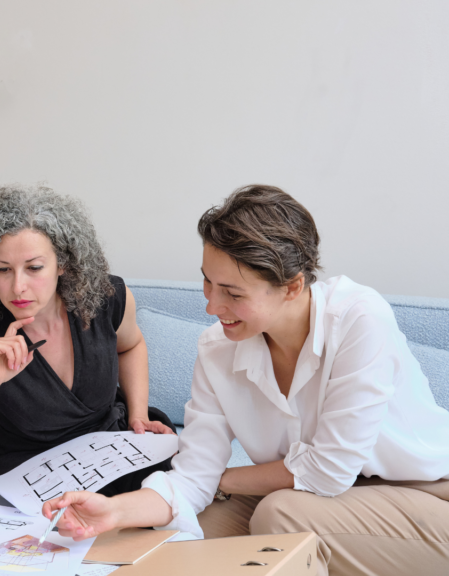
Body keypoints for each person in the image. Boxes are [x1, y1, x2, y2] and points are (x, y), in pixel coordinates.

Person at [41, 185, 449, 575]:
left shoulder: (359, 319)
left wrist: (222, 480)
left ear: (292, 287)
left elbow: (329, 471)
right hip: (308, 496)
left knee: (281, 516)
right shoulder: (218, 348)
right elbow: (193, 475)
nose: (211, 305)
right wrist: (115, 511)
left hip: (427, 494)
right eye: (207, 281)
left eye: (232, 293)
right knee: (177, 543)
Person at [0, 185, 176, 497]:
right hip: (28, 475)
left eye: (34, 268)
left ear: (63, 264)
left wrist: (138, 414)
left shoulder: (106, 300)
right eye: (3, 270)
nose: (18, 287)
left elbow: (131, 345)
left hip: (111, 454)